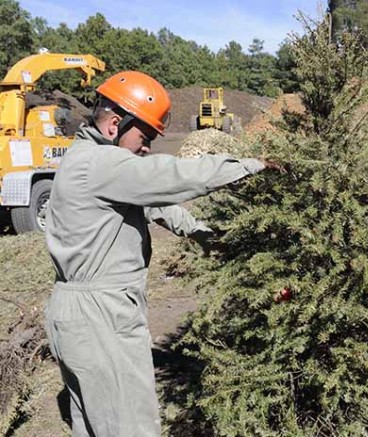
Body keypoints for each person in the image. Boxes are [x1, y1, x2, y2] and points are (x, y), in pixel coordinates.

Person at [44, 70, 280, 437]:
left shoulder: (92, 164)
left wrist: (202, 234)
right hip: (100, 316)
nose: (148, 147)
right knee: (129, 428)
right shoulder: (99, 164)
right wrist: (250, 166)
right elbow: (169, 176)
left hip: (80, 314)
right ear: (115, 124)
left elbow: (154, 205)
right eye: (145, 136)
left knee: (95, 426)